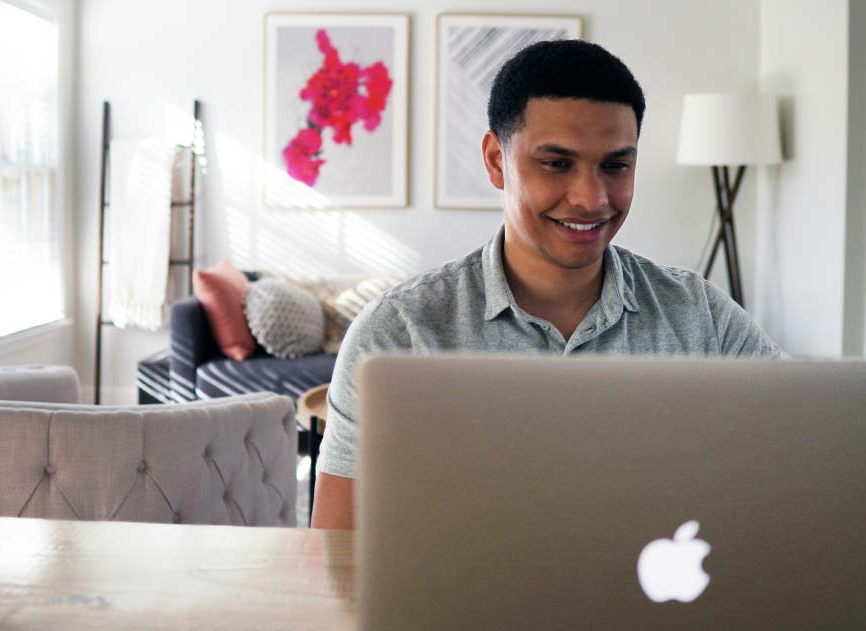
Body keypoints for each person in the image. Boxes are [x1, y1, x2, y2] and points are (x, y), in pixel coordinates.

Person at [311, 40, 780, 529]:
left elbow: (796, 467)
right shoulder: (399, 332)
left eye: (616, 166)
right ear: (496, 160)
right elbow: (333, 555)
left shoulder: (700, 318)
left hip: (662, 600)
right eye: (557, 164)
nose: (591, 198)